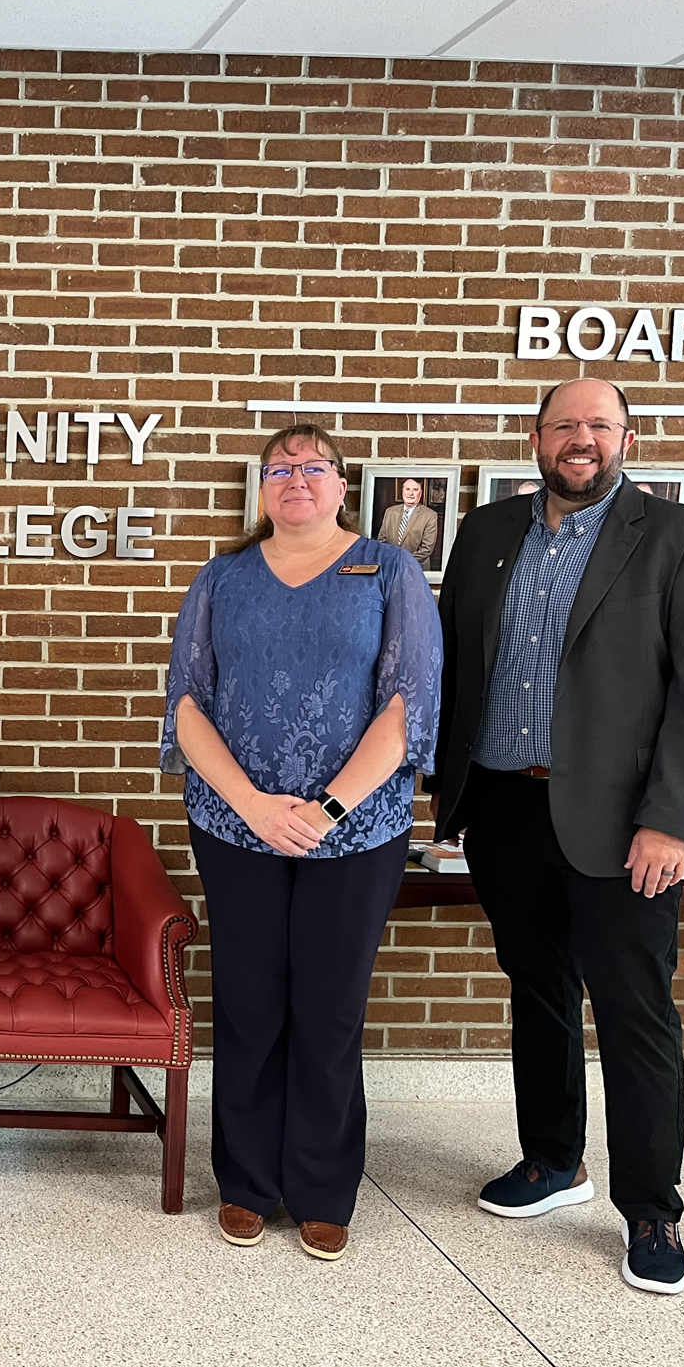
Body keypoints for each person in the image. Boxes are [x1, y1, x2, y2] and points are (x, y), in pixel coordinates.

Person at [433, 376, 684, 1297]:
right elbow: (455, 665)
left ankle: (651, 1208)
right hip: (503, 809)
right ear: (535, 438)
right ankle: (552, 1160)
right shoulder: (487, 532)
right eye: (564, 424)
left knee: (633, 1009)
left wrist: (672, 820)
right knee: (537, 987)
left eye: (599, 425)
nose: (581, 439)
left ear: (627, 439)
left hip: (624, 826)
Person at [161, 424, 440, 1263]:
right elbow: (187, 704)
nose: (296, 480)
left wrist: (325, 809)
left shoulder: (389, 572)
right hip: (235, 827)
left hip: (356, 832)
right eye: (280, 468)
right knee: (248, 1005)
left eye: (314, 467)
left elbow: (407, 704)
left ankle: (321, 1190)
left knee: (328, 1007)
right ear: (262, 488)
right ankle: (247, 1183)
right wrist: (252, 806)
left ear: (343, 487)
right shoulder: (223, 578)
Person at [376, 476, 440, 564]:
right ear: (402, 491)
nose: (410, 493)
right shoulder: (390, 512)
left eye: (415, 490)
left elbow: (426, 549)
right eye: (408, 489)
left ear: (420, 494)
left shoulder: (430, 515)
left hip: (415, 566)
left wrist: (403, 561)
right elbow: (381, 542)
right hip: (390, 565)